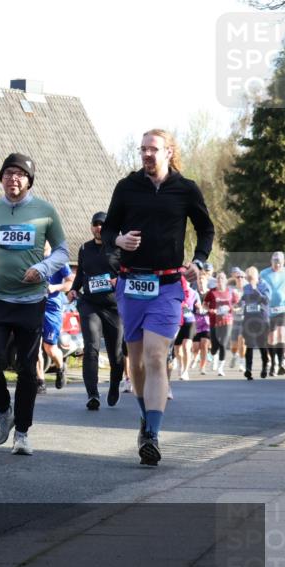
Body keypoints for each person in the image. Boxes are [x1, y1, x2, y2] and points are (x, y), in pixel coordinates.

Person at [102, 128, 214, 466]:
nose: (147, 154)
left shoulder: (185, 188)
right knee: (135, 363)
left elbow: (206, 229)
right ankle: (145, 415)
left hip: (167, 285)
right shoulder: (127, 186)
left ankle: (152, 434)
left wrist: (199, 261)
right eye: (143, 149)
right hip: (131, 283)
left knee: (155, 356)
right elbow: (109, 229)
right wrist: (118, 241)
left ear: (168, 152)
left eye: (153, 149)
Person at [0, 153, 68, 455]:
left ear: (29, 180)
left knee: (27, 369)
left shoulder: (45, 211)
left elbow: (63, 252)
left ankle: (23, 432)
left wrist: (42, 268)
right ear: (1, 178)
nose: (13, 178)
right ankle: (4, 411)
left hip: (31, 300)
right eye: (8, 173)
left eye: (20, 174)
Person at [67, 211, 124, 409]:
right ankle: (92, 394)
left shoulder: (118, 247)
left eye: (102, 224)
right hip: (90, 304)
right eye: (95, 224)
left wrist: (119, 280)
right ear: (91, 227)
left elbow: (129, 272)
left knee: (116, 353)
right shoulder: (85, 248)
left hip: (114, 307)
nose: (99, 227)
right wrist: (74, 289)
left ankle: (115, 384)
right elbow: (81, 274)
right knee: (91, 347)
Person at [35, 241, 74, 393]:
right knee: (34, 345)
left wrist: (55, 287)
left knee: (49, 347)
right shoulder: (31, 256)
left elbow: (70, 281)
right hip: (34, 304)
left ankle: (60, 367)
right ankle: (40, 381)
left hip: (52, 307)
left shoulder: (58, 258)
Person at [203, 272, 238, 376]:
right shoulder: (211, 292)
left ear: (225, 280)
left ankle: (220, 368)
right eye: (218, 278)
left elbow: (236, 303)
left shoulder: (230, 291)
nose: (220, 280)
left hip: (227, 320)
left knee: (223, 343)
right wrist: (210, 310)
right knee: (214, 346)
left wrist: (234, 308)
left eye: (222, 278)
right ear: (216, 281)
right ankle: (214, 356)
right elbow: (204, 304)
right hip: (214, 321)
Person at [240, 266, 271, 379]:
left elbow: (266, 300)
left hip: (261, 319)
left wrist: (255, 289)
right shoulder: (246, 287)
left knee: (262, 345)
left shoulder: (264, 285)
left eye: (251, 278)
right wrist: (240, 303)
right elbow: (244, 301)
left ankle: (264, 367)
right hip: (249, 320)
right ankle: (248, 370)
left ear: (256, 277)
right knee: (249, 344)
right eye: (248, 279)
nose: (249, 281)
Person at [260, 251, 285, 375]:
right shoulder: (264, 273)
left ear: (283, 262)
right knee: (271, 338)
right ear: (271, 261)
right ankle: (273, 363)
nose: (277, 265)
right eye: (275, 262)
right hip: (268, 309)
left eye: (279, 262)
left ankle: (281, 363)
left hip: (283, 308)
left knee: (281, 334)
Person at [174, 275, 200, 381]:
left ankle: (185, 371)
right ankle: (180, 364)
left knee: (186, 346)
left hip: (190, 321)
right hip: (177, 322)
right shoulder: (176, 291)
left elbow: (199, 307)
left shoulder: (194, 293)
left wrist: (199, 308)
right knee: (177, 349)